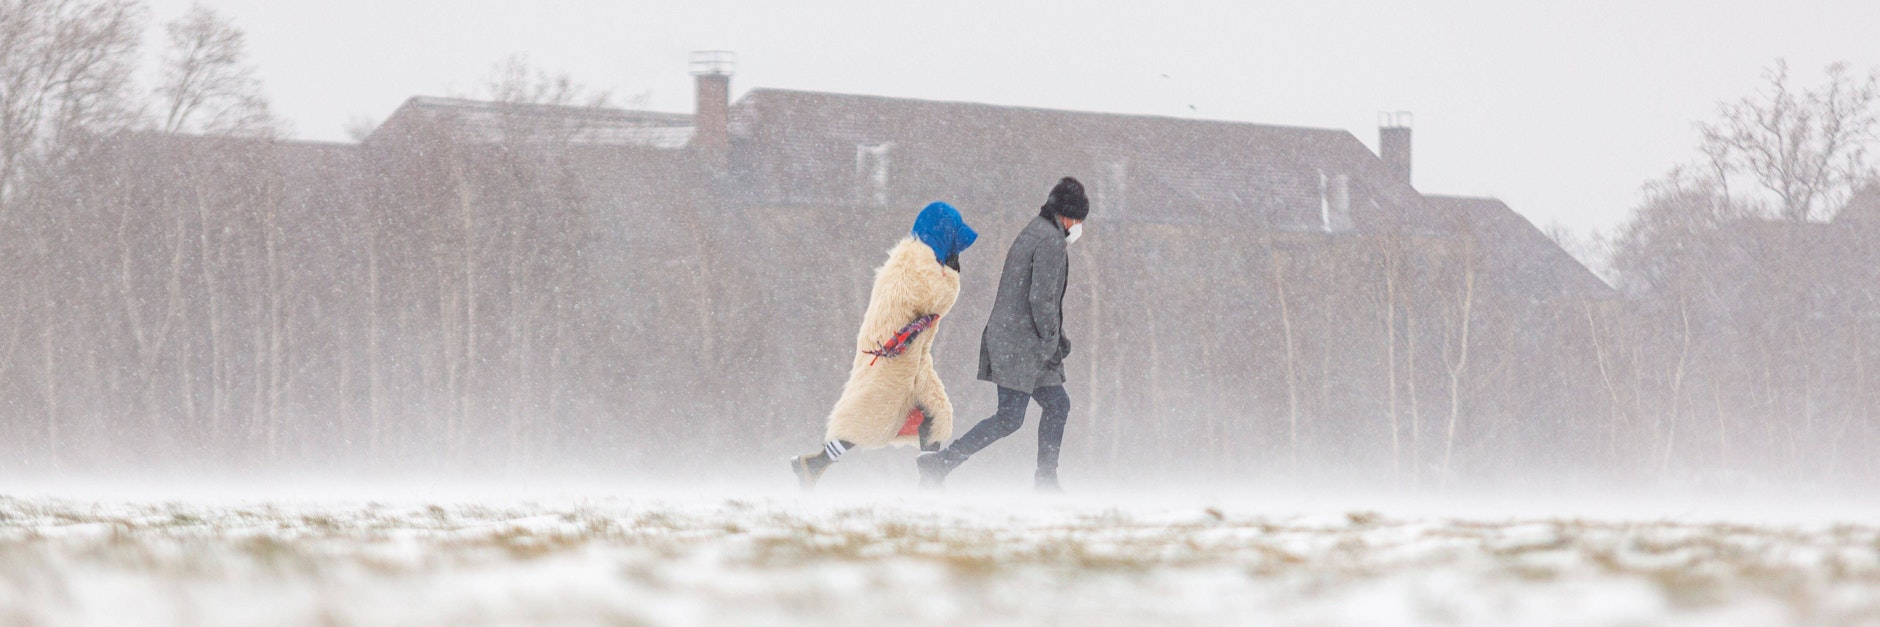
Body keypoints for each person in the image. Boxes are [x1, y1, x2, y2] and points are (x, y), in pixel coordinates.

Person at [790, 201, 978, 490]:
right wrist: (953, 272)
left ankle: (930, 481)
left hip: (911, 355)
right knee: (870, 419)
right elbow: (935, 301)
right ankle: (815, 464)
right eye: (953, 239)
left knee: (937, 412)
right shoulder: (915, 261)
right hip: (890, 356)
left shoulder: (925, 260)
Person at [918, 177, 1087, 492]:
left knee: (1057, 405)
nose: (1079, 227)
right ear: (1068, 216)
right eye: (1079, 220)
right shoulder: (1051, 241)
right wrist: (1052, 339)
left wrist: (1054, 338)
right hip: (1023, 345)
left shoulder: (1034, 230)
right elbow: (1041, 298)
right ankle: (941, 464)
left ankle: (1046, 481)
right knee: (1010, 417)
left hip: (1019, 339)